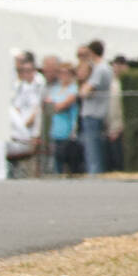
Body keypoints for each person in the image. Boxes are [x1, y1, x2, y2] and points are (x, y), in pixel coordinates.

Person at [78, 40, 113, 175]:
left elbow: (85, 92)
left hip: (93, 113)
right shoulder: (105, 68)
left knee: (92, 151)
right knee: (94, 148)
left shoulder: (100, 69)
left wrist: (83, 88)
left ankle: (95, 175)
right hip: (97, 112)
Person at [45, 63, 80, 175]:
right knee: (57, 159)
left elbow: (63, 105)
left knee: (69, 159)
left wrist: (56, 105)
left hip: (68, 130)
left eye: (66, 73)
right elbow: (47, 106)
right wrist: (55, 106)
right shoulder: (55, 89)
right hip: (56, 130)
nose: (63, 76)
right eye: (61, 73)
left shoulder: (74, 89)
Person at [105, 55, 127, 171]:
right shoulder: (110, 84)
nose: (117, 68)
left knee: (119, 160)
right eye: (115, 65)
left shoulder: (125, 84)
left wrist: (119, 128)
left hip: (119, 127)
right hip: (109, 127)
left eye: (120, 65)